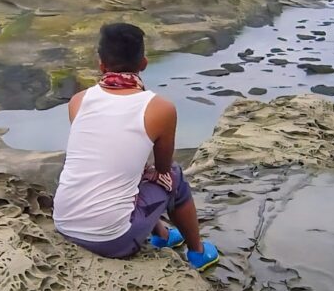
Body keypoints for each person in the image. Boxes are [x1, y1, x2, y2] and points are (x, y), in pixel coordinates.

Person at [53, 22, 220, 270]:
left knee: (133, 170)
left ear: (101, 64)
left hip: (64, 224)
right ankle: (198, 253)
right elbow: (162, 169)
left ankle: (163, 236)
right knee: (174, 177)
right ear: (144, 63)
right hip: (112, 241)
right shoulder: (159, 108)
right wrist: (154, 170)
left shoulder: (78, 101)